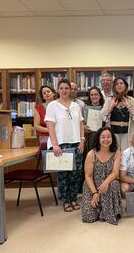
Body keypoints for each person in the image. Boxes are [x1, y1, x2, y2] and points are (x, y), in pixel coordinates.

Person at [45, 78, 85, 212]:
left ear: (70, 90)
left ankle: (73, 198)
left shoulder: (76, 105)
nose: (64, 90)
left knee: (76, 173)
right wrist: (55, 144)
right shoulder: (53, 105)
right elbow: (50, 126)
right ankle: (66, 200)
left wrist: (82, 140)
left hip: (76, 143)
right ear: (58, 89)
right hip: (61, 144)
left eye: (66, 88)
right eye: (61, 88)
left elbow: (80, 123)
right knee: (64, 174)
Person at [81, 127, 122, 224]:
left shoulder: (116, 152)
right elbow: (88, 176)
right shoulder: (91, 154)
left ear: (112, 139)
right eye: (103, 137)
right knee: (88, 218)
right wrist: (95, 193)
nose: (106, 140)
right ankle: (98, 208)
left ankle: (108, 210)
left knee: (114, 184)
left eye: (109, 137)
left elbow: (115, 172)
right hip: (92, 185)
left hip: (109, 183)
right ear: (98, 139)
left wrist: (106, 183)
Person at [101, 77, 134, 151]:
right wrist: (111, 106)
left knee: (126, 154)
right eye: (117, 84)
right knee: (114, 153)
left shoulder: (130, 99)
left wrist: (128, 106)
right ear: (114, 87)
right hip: (113, 133)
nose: (119, 85)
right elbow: (102, 116)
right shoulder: (109, 99)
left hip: (127, 133)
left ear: (125, 86)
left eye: (121, 83)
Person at [83, 86, 105, 160]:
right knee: (89, 157)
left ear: (100, 96)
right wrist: (83, 126)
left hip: (101, 136)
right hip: (88, 136)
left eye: (96, 94)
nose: (94, 96)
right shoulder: (84, 108)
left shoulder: (104, 108)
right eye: (91, 95)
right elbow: (81, 122)